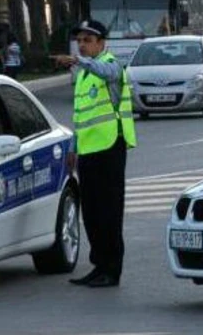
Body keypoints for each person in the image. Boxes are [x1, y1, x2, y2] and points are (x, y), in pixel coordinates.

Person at [55, 19, 135, 288]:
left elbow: (107, 72)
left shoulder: (111, 65)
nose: (82, 44)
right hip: (88, 150)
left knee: (109, 212)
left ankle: (112, 270)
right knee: (90, 212)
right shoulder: (83, 75)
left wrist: (79, 60)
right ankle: (98, 265)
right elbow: (80, 116)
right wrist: (73, 148)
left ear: (102, 43)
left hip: (111, 147)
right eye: (79, 40)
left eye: (88, 40)